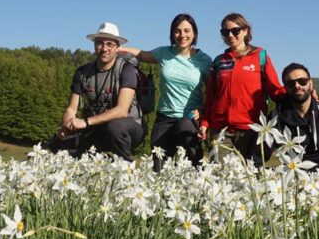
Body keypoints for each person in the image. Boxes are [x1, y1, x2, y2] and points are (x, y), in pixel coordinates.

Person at [119, 13, 213, 169]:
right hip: (165, 117)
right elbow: (141, 54)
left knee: (193, 162)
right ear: (172, 34)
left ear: (194, 33)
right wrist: (117, 48)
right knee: (158, 166)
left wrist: (202, 109)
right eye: (177, 31)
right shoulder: (164, 53)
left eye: (187, 30)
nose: (182, 35)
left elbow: (212, 91)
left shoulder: (204, 60)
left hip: (190, 118)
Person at [50, 22, 144, 161]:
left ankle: (126, 168)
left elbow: (122, 110)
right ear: (94, 45)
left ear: (117, 47)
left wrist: (85, 122)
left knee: (115, 127)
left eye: (109, 44)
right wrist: (66, 127)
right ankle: (104, 161)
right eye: (99, 43)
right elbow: (71, 109)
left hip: (129, 127)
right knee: (58, 148)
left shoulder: (126, 69)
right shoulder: (82, 72)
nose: (104, 48)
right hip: (97, 126)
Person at [198, 12, 285, 163]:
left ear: (245, 31)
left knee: (250, 179)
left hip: (252, 130)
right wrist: (205, 122)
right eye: (225, 32)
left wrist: (301, 91)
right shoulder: (219, 62)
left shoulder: (260, 57)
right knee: (220, 179)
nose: (230, 35)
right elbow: (211, 98)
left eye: (235, 30)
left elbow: (275, 90)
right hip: (221, 130)